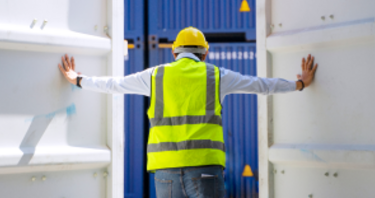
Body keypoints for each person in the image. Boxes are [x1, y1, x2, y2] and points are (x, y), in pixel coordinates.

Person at [58, 27, 317, 198]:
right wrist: (300, 83)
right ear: (205, 53)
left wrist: (78, 79)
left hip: (166, 173)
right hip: (206, 170)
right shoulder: (217, 75)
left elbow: (114, 84)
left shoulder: (155, 75)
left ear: (174, 52)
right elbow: (260, 85)